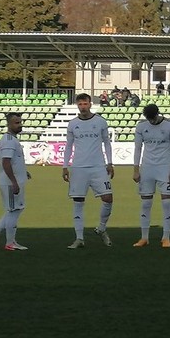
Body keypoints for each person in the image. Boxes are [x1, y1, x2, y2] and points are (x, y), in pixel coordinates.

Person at [63, 93, 114, 248]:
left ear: (90, 104)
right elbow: (68, 146)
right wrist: (65, 166)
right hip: (78, 168)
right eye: (80, 104)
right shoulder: (72, 124)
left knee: (108, 199)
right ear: (77, 106)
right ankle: (79, 238)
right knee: (78, 202)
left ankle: (101, 228)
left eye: (85, 104)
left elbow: (107, 143)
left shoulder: (100, 122)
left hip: (98, 167)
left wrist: (110, 163)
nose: (83, 107)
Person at [132, 103, 170, 248]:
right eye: (149, 119)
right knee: (146, 203)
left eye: (153, 118)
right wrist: (136, 169)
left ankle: (166, 237)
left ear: (158, 114)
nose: (151, 121)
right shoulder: (141, 126)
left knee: (166, 202)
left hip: (165, 168)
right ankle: (144, 237)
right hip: (147, 168)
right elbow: (138, 148)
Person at [0, 112, 29, 251]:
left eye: (20, 122)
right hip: (11, 183)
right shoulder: (9, 141)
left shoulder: (12, 139)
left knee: (15, 209)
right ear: (9, 124)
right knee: (13, 210)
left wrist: (24, 172)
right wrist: (14, 182)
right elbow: (6, 163)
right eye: (16, 122)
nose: (19, 125)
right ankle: (10, 242)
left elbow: (14, 161)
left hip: (15, 180)